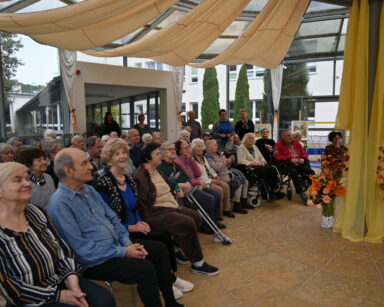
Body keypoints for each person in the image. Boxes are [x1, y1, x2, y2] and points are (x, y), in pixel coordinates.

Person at [47, 148, 183, 307]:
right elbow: (82, 250)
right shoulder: (60, 204)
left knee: (159, 249)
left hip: (115, 246)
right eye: (84, 163)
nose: (91, 166)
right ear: (68, 171)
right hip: (93, 261)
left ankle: (171, 302)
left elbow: (113, 219)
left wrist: (127, 243)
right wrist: (125, 251)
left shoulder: (88, 190)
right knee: (144, 268)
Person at [0, 162, 115, 307]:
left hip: (59, 279)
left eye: (26, 178)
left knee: (104, 300)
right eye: (18, 180)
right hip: (30, 298)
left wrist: (72, 282)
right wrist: (58, 296)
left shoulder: (35, 212)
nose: (27, 183)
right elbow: (8, 287)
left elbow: (62, 249)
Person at [95, 139, 193, 299]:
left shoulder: (128, 179)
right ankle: (163, 282)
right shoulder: (103, 184)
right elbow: (105, 221)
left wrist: (141, 221)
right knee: (159, 241)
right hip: (121, 233)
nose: (122, 156)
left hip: (137, 225)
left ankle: (169, 277)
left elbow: (136, 207)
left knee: (164, 234)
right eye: (117, 153)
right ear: (109, 158)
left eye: (124, 152)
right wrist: (131, 227)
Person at [133, 143, 219, 276]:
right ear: (147, 158)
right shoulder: (140, 175)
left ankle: (175, 247)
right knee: (187, 222)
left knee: (196, 218)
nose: (160, 156)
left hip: (171, 204)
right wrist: (147, 218)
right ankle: (198, 263)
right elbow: (142, 202)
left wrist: (176, 191)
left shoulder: (157, 170)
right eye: (157, 154)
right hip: (156, 211)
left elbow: (170, 185)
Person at [159, 141, 225, 236]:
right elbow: (169, 182)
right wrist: (183, 185)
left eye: (174, 149)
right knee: (208, 199)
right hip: (179, 193)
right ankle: (207, 225)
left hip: (189, 188)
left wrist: (188, 182)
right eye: (170, 149)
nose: (173, 151)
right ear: (164, 152)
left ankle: (211, 224)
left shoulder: (174, 164)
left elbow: (187, 177)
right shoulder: (162, 166)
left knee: (211, 197)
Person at [191, 138, 243, 216]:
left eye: (202, 146)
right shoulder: (193, 159)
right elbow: (199, 176)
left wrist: (215, 177)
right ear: (193, 148)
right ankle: (218, 214)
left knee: (225, 186)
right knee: (219, 189)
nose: (201, 148)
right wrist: (212, 181)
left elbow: (210, 169)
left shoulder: (203, 157)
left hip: (212, 178)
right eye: (198, 146)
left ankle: (226, 209)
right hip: (204, 181)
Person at [205, 139, 251, 214]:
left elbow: (226, 166)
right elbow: (216, 168)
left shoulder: (217, 154)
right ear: (208, 147)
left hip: (226, 173)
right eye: (215, 145)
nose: (217, 147)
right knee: (238, 183)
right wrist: (226, 161)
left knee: (245, 181)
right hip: (219, 176)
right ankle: (237, 204)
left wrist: (229, 161)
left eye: (216, 145)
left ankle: (243, 201)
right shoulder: (208, 156)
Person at [238, 133, 285, 202]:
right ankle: (266, 194)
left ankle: (274, 190)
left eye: (253, 138)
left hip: (259, 165)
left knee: (271, 169)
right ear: (245, 139)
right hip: (249, 168)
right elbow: (240, 160)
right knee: (263, 172)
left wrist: (262, 162)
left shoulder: (254, 147)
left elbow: (261, 157)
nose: (251, 139)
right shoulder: (241, 148)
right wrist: (253, 163)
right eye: (249, 138)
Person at [273, 130, 314, 200]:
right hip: (288, 164)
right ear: (283, 137)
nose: (290, 137)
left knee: (311, 172)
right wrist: (289, 159)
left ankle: (313, 190)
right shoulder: (278, 145)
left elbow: (304, 153)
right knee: (294, 172)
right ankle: (300, 192)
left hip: (299, 162)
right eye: (288, 136)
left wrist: (303, 158)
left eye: (291, 135)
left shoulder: (297, 143)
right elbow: (276, 156)